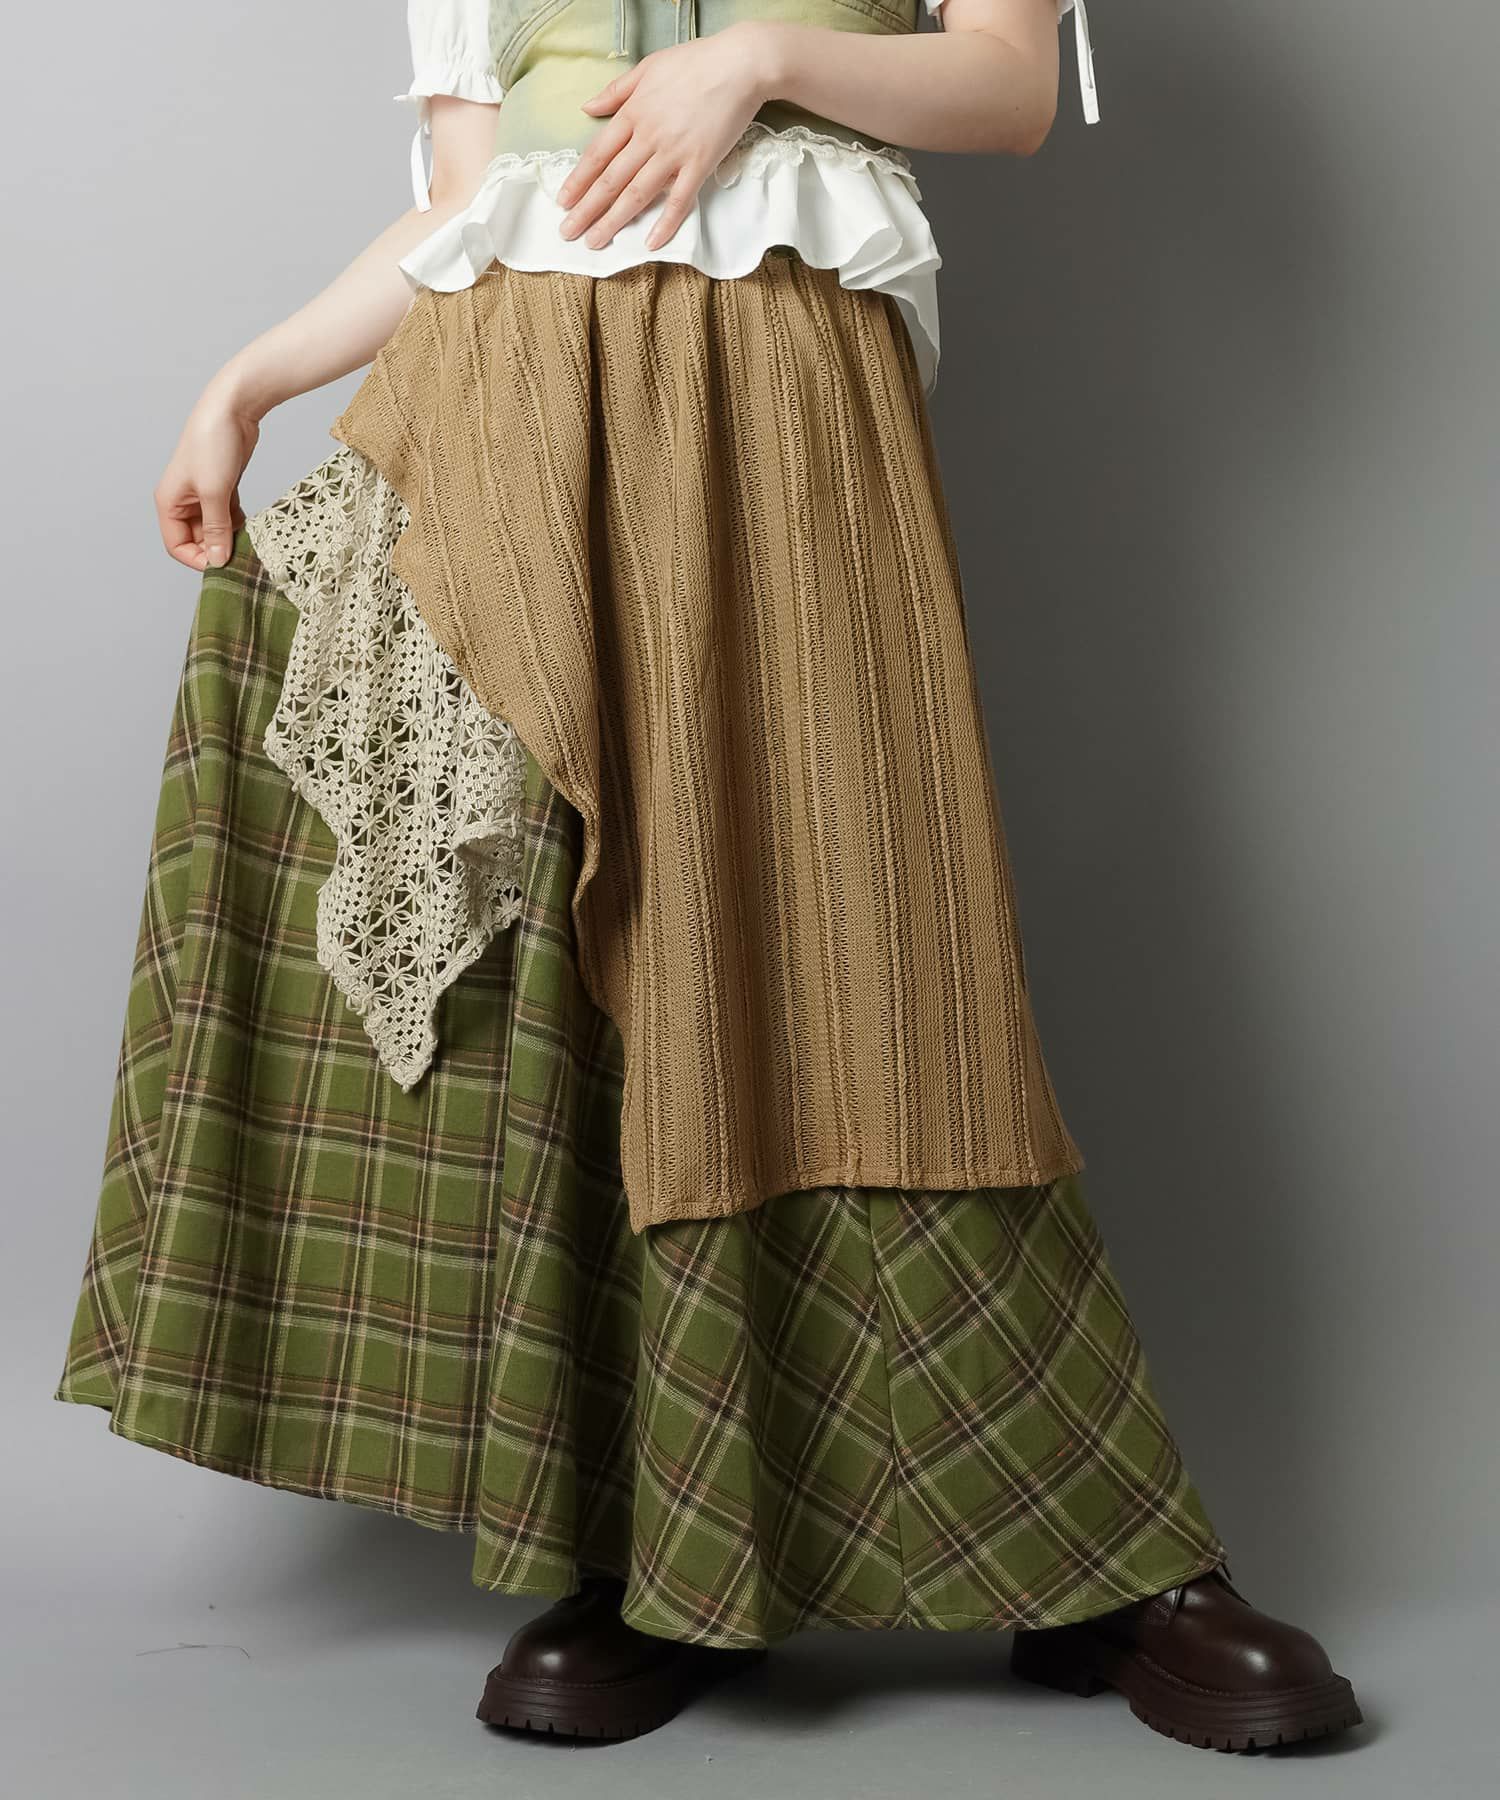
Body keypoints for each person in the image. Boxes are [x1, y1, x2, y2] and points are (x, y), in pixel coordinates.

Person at [57, 0, 1362, 1754]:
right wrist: (247, 382)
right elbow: (469, 201)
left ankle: (1094, 1552)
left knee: (879, 949)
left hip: (783, 396)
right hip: (512, 415)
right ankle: (653, 1548)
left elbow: (1007, 90)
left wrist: (760, 64)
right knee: (584, 961)